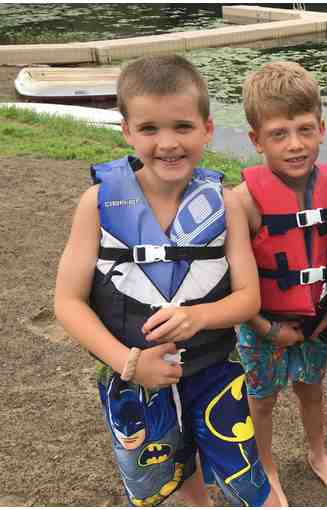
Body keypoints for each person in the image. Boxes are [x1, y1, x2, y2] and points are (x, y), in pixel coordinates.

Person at [54, 54, 278, 507]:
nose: (168, 143)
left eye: (182, 127)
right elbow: (68, 302)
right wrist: (128, 362)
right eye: (150, 129)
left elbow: (248, 298)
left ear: (207, 129)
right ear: (127, 131)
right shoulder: (96, 204)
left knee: (246, 479)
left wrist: (199, 317)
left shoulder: (226, 204)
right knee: (171, 473)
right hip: (134, 378)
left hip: (214, 373)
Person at [233, 60, 327, 507]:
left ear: (321, 128)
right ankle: (266, 468)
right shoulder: (243, 202)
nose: (295, 144)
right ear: (256, 140)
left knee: (311, 391)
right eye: (279, 134)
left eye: (305, 130)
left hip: (317, 323)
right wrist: (268, 329)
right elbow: (231, 281)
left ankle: (318, 455)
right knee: (262, 400)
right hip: (262, 327)